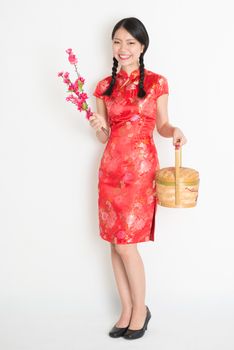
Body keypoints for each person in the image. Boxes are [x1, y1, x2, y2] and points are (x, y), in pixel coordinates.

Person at [89, 17, 187, 340]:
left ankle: (141, 309)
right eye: (117, 42)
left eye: (130, 42)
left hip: (140, 173)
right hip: (110, 170)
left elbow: (162, 124)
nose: (123, 49)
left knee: (127, 245)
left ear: (142, 46)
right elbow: (105, 137)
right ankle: (126, 309)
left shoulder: (157, 83)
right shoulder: (104, 87)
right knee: (115, 246)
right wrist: (98, 127)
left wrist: (174, 132)